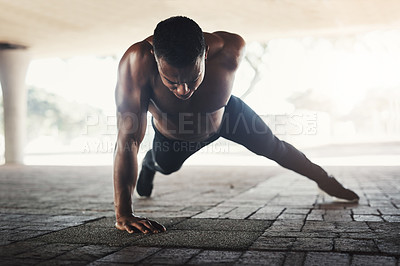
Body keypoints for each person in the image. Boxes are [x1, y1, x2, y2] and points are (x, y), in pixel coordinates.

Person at [113, 16, 359, 234]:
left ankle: (325, 180)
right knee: (166, 167)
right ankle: (150, 164)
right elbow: (128, 139)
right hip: (175, 136)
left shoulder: (231, 49)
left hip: (228, 116)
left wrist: (324, 179)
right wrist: (124, 214)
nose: (183, 90)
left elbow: (222, 44)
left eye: (192, 78)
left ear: (205, 54)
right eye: (171, 81)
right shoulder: (137, 63)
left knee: (275, 147)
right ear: (156, 60)